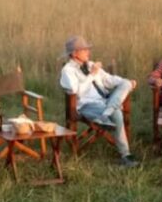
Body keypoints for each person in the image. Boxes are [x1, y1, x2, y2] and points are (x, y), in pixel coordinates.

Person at [59, 35, 139, 168]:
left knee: (125, 83)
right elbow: (77, 92)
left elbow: (109, 79)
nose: (88, 52)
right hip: (86, 106)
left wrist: (127, 83)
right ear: (74, 53)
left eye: (87, 49)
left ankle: (107, 113)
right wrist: (92, 75)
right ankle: (125, 155)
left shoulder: (90, 65)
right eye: (84, 50)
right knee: (117, 113)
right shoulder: (68, 71)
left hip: (105, 102)